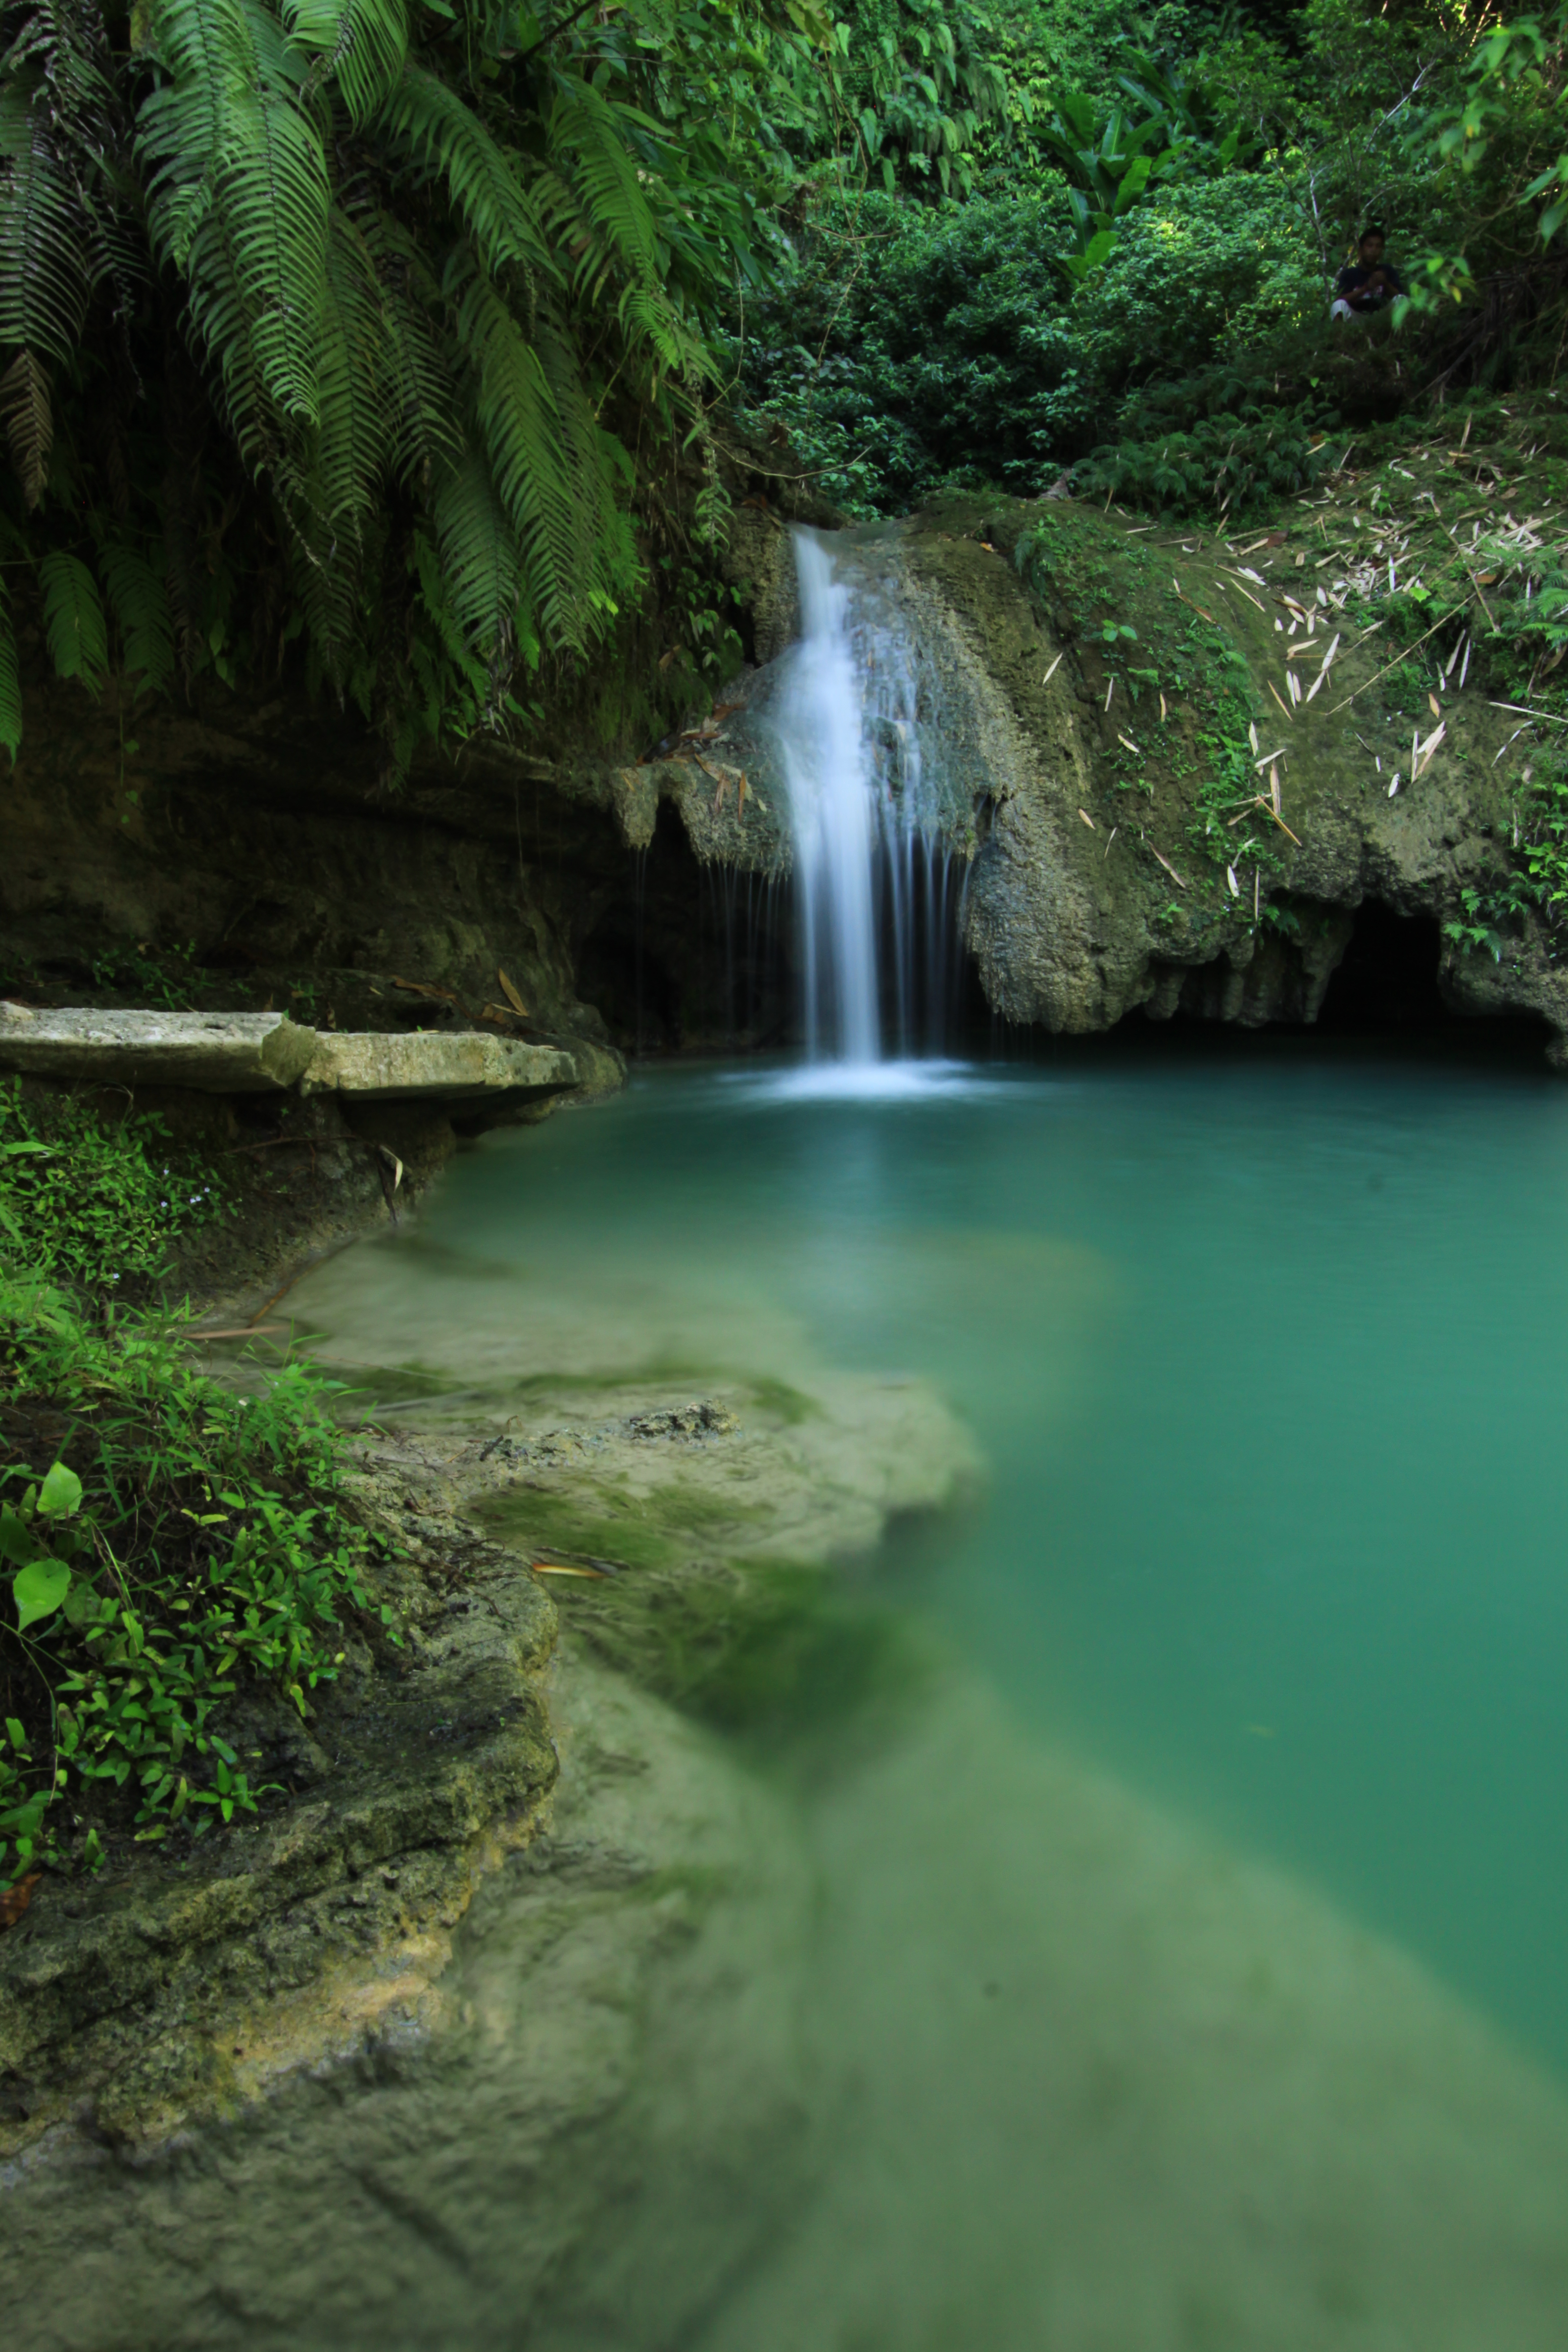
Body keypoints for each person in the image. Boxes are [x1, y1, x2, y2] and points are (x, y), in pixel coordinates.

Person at [1331, 228, 1404, 322]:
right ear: (1361, 250)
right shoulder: (1350, 274)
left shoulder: (1387, 270)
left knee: (1402, 300)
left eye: (1378, 246)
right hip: (1357, 319)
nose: (1374, 250)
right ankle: (1340, 336)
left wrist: (1385, 283)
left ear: (1382, 250)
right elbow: (1340, 299)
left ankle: (1399, 335)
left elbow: (1399, 296)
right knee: (1338, 305)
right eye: (1370, 246)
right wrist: (1365, 289)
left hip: (1382, 318)